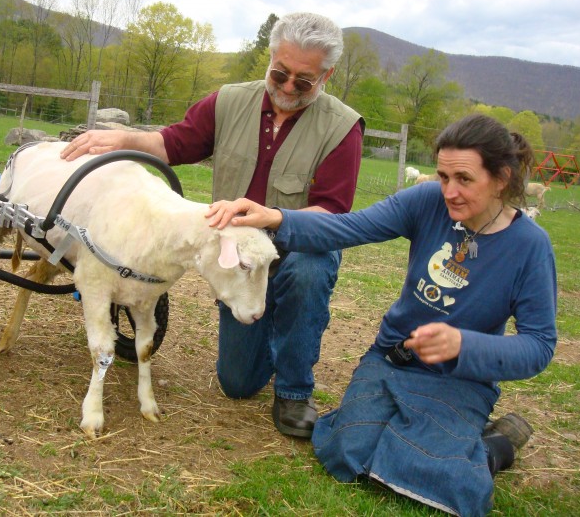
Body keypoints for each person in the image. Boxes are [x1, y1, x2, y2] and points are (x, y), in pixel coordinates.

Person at [206, 114, 557, 516]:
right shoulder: (427, 202)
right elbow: (349, 228)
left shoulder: (530, 246)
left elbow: (539, 345)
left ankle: (495, 449)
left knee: (446, 479)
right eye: (443, 176)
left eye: (464, 179)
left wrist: (464, 344)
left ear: (501, 178)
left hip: (461, 376)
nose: (450, 191)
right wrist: (276, 218)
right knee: (347, 450)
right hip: (394, 359)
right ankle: (451, 441)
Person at [60, 12, 365, 438]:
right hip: (235, 254)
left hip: (297, 249)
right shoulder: (229, 101)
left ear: (327, 75)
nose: (289, 87)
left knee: (309, 271)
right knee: (237, 384)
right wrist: (124, 139)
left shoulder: (342, 128)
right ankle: (270, 330)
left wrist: (274, 218)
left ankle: (295, 389)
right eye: (281, 73)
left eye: (304, 80)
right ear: (271, 58)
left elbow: (333, 214)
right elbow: (174, 141)